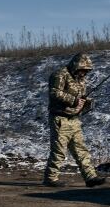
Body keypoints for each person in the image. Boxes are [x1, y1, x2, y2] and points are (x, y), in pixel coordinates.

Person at [43, 52, 106, 188]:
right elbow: (54, 92)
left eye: (86, 71)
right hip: (60, 118)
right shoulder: (60, 75)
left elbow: (81, 96)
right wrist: (74, 100)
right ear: (76, 66)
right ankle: (50, 178)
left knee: (81, 150)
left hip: (75, 119)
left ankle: (90, 177)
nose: (84, 73)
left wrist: (86, 102)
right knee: (59, 151)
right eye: (82, 70)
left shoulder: (81, 80)